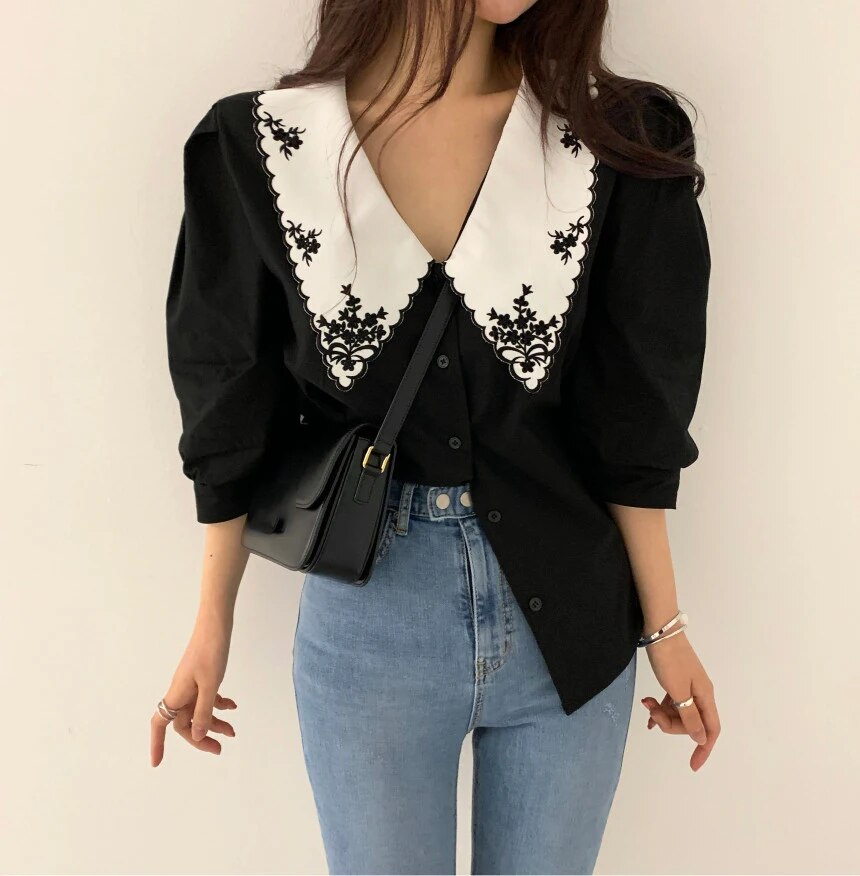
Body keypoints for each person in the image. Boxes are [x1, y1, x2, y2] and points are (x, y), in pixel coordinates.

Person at [152, 0, 722, 872]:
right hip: (370, 627)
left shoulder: (611, 141)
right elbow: (229, 402)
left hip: (571, 622)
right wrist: (209, 625)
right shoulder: (261, 146)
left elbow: (633, 420)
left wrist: (666, 627)